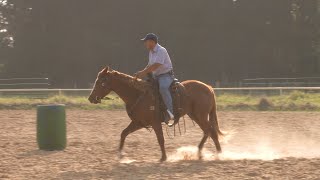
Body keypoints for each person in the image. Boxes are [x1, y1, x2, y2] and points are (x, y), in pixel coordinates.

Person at [135, 33, 174, 122]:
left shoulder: (161, 50)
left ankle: (171, 112)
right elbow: (150, 65)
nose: (145, 44)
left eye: (146, 41)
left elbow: (157, 65)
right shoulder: (151, 52)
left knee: (163, 88)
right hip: (156, 76)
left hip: (166, 75)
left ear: (152, 42)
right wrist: (141, 73)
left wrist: (144, 72)